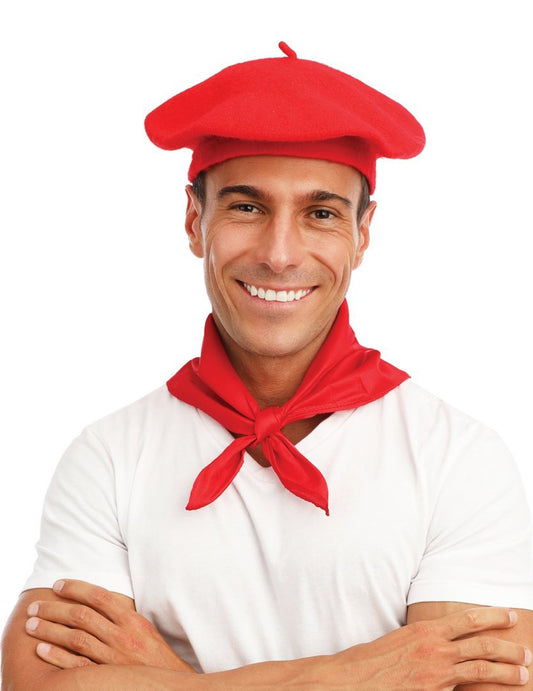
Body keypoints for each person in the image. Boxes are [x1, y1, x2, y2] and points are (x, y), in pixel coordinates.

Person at [2, 42, 533, 690]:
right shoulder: (109, 457)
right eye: (247, 207)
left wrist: (163, 677)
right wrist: (343, 677)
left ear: (362, 234)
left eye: (320, 213)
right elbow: (37, 684)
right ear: (194, 220)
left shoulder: (458, 459)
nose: (280, 254)